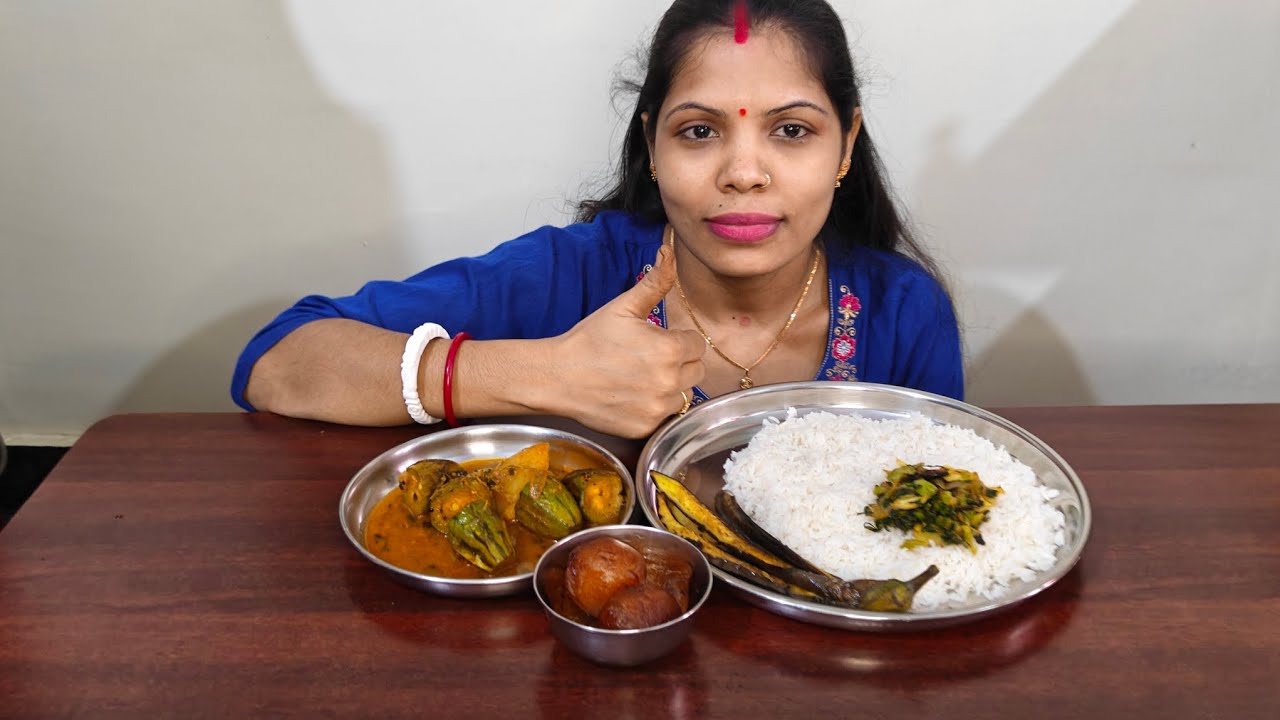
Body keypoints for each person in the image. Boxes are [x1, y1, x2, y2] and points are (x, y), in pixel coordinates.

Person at [232, 0, 962, 439]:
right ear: (650, 145)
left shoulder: (904, 311)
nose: (744, 172)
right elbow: (275, 362)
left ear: (847, 144)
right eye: (700, 132)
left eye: (792, 131)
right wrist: (540, 372)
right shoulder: (569, 275)